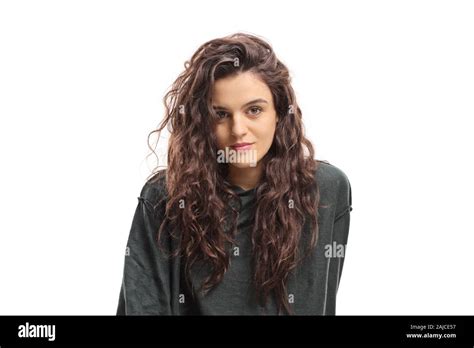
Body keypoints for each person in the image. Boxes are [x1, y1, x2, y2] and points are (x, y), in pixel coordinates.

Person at [116, 32, 352, 315]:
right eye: (220, 114)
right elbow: (144, 306)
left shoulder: (326, 190)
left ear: (279, 112)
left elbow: (318, 302)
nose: (238, 129)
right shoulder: (166, 196)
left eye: (254, 110)